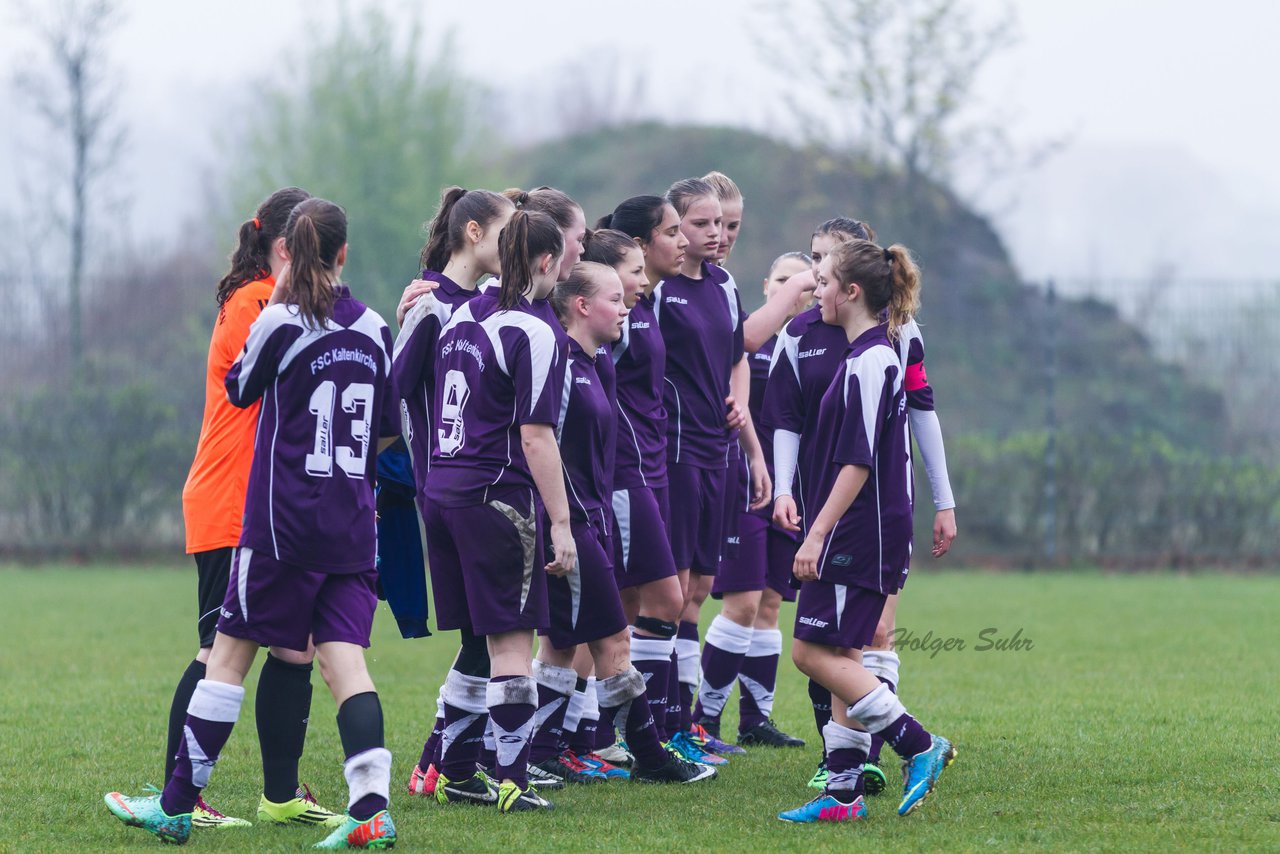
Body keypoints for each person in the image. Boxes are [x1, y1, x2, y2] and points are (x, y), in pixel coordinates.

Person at [106, 198, 402, 848]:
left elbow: (241, 388)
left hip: (281, 526)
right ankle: (371, 809)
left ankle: (178, 805)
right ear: (345, 254)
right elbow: (388, 432)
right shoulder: (378, 328)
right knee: (346, 666)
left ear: (289, 253)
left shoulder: (279, 319)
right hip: (352, 528)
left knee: (228, 657)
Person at [172, 185, 343, 830]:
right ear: (282, 248)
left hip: (268, 504)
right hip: (231, 498)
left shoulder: (267, 300)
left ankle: (279, 795)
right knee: (215, 647)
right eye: (308, 253)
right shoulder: (254, 303)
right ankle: (182, 797)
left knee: (293, 645)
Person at [771, 218, 957, 793]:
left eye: (822, 278)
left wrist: (817, 533)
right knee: (842, 652)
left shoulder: (873, 360)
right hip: (855, 523)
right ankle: (843, 789)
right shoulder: (854, 353)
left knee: (811, 653)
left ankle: (918, 743)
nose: (813, 288)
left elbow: (859, 462)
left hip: (859, 527)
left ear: (851, 290)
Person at [527, 261, 717, 786]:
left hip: (592, 518)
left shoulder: (598, 361)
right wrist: (562, 522)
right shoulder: (558, 364)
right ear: (582, 306)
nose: (626, 305)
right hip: (568, 523)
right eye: (615, 296)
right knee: (613, 641)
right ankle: (652, 758)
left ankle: (540, 749)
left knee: (562, 645)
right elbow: (535, 443)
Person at [419, 209, 575, 813]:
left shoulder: (460, 314)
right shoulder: (533, 329)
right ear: (543, 263)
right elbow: (536, 437)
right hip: (497, 499)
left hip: (444, 494)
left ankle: (457, 771)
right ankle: (513, 775)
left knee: (477, 642)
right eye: (561, 261)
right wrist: (560, 522)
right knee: (513, 642)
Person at [391, 187, 516, 800]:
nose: (513, 247)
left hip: (477, 491)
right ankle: (440, 761)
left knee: (482, 636)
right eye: (505, 233)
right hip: (447, 490)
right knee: (485, 635)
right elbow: (394, 395)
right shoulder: (432, 306)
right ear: (472, 232)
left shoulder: (484, 302)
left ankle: (438, 763)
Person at [656, 177, 770, 765]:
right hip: (673, 454)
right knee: (670, 593)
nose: (716, 235)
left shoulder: (723, 286)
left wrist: (750, 442)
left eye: (725, 226)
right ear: (675, 227)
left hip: (717, 452)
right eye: (702, 225)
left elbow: (737, 357)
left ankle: (687, 725)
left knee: (697, 591)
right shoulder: (656, 287)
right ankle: (662, 724)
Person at [701, 252, 814, 749]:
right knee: (742, 603)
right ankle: (702, 720)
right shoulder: (747, 339)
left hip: (790, 492)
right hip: (743, 488)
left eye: (804, 283)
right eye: (786, 280)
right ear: (768, 285)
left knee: (769, 605)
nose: (795, 290)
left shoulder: (814, 343)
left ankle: (756, 720)